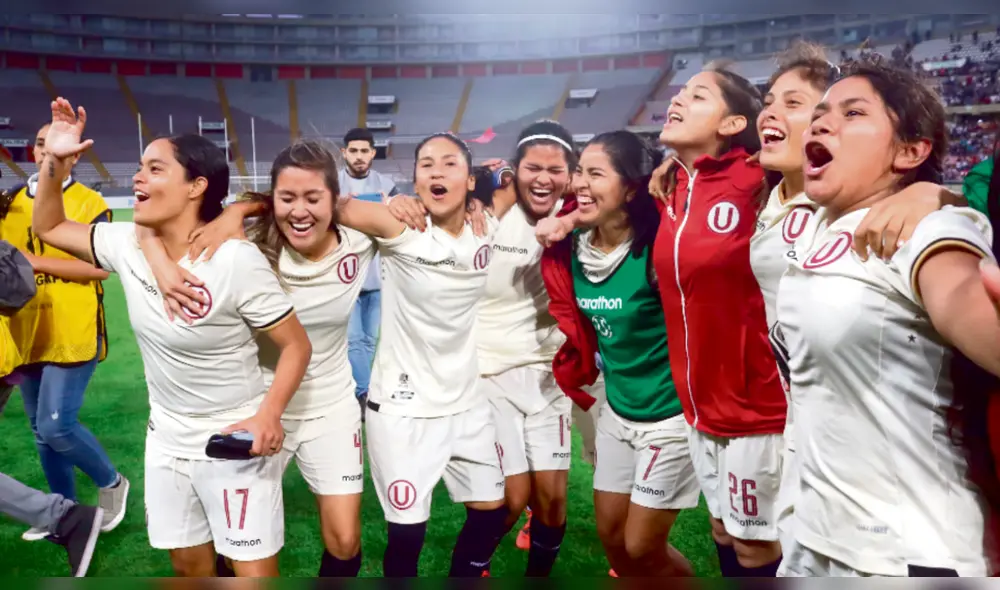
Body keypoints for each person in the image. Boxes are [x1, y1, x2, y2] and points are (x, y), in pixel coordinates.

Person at [30, 98, 311, 577]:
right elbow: (50, 225)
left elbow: (296, 346)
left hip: (232, 439)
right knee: (188, 569)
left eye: (155, 169)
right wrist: (54, 161)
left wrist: (269, 414)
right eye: (140, 167)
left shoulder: (235, 260)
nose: (138, 178)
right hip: (166, 441)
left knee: (252, 576)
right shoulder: (127, 243)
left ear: (196, 186)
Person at [777, 57, 998, 577]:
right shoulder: (815, 226)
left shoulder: (927, 229)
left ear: (910, 151)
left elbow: (966, 302)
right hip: (814, 536)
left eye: (853, 113)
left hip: (904, 552)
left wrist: (937, 197)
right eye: (820, 114)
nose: (822, 123)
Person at [145, 140, 376, 577]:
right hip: (256, 406)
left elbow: (407, 216)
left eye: (313, 198)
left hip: (331, 405)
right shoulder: (243, 243)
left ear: (334, 199)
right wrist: (232, 217)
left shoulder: (360, 242)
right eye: (287, 198)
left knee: (345, 541)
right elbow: (153, 225)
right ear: (273, 200)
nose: (300, 211)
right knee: (238, 551)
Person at [386, 120, 582, 576]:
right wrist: (399, 201)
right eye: (533, 168)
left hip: (549, 374)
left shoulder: (580, 218)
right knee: (510, 500)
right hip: (488, 373)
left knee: (552, 501)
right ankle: (468, 573)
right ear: (515, 170)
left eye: (556, 170)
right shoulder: (486, 215)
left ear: (571, 175)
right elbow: (438, 202)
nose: (543, 179)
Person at [334, 132, 515, 577]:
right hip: (404, 412)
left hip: (467, 405)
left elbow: (529, 181)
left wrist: (502, 175)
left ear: (469, 181)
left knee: (491, 512)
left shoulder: (486, 225)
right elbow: (322, 204)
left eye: (450, 163)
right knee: (407, 539)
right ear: (414, 179)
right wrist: (393, 203)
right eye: (426, 164)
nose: (437, 171)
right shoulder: (400, 227)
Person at [536, 131, 699, 577]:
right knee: (612, 540)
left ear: (630, 188)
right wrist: (568, 220)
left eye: (596, 174)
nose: (579, 184)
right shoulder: (572, 247)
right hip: (618, 409)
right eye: (579, 172)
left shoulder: (663, 246)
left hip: (670, 418)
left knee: (642, 546)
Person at [651, 65, 785, 577]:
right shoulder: (672, 188)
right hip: (699, 406)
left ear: (732, 124)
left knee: (758, 548)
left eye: (698, 95)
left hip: (757, 408)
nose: (677, 100)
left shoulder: (759, 180)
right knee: (723, 533)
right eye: (680, 92)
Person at [0, 121, 127, 539]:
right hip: (25, 331)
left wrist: (33, 262)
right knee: (41, 432)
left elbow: (99, 268)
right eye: (39, 144)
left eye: (53, 145)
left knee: (56, 426)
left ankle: (111, 483)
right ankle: (65, 513)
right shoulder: (9, 202)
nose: (44, 151)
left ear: (75, 154)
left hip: (72, 330)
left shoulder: (90, 201)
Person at [339, 128, 398, 413]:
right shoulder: (331, 185)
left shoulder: (387, 185)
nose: (359, 156)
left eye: (364, 151)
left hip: (378, 274)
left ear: (373, 153)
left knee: (372, 340)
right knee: (353, 340)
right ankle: (364, 393)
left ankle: (372, 390)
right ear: (344, 153)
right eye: (354, 151)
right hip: (345, 274)